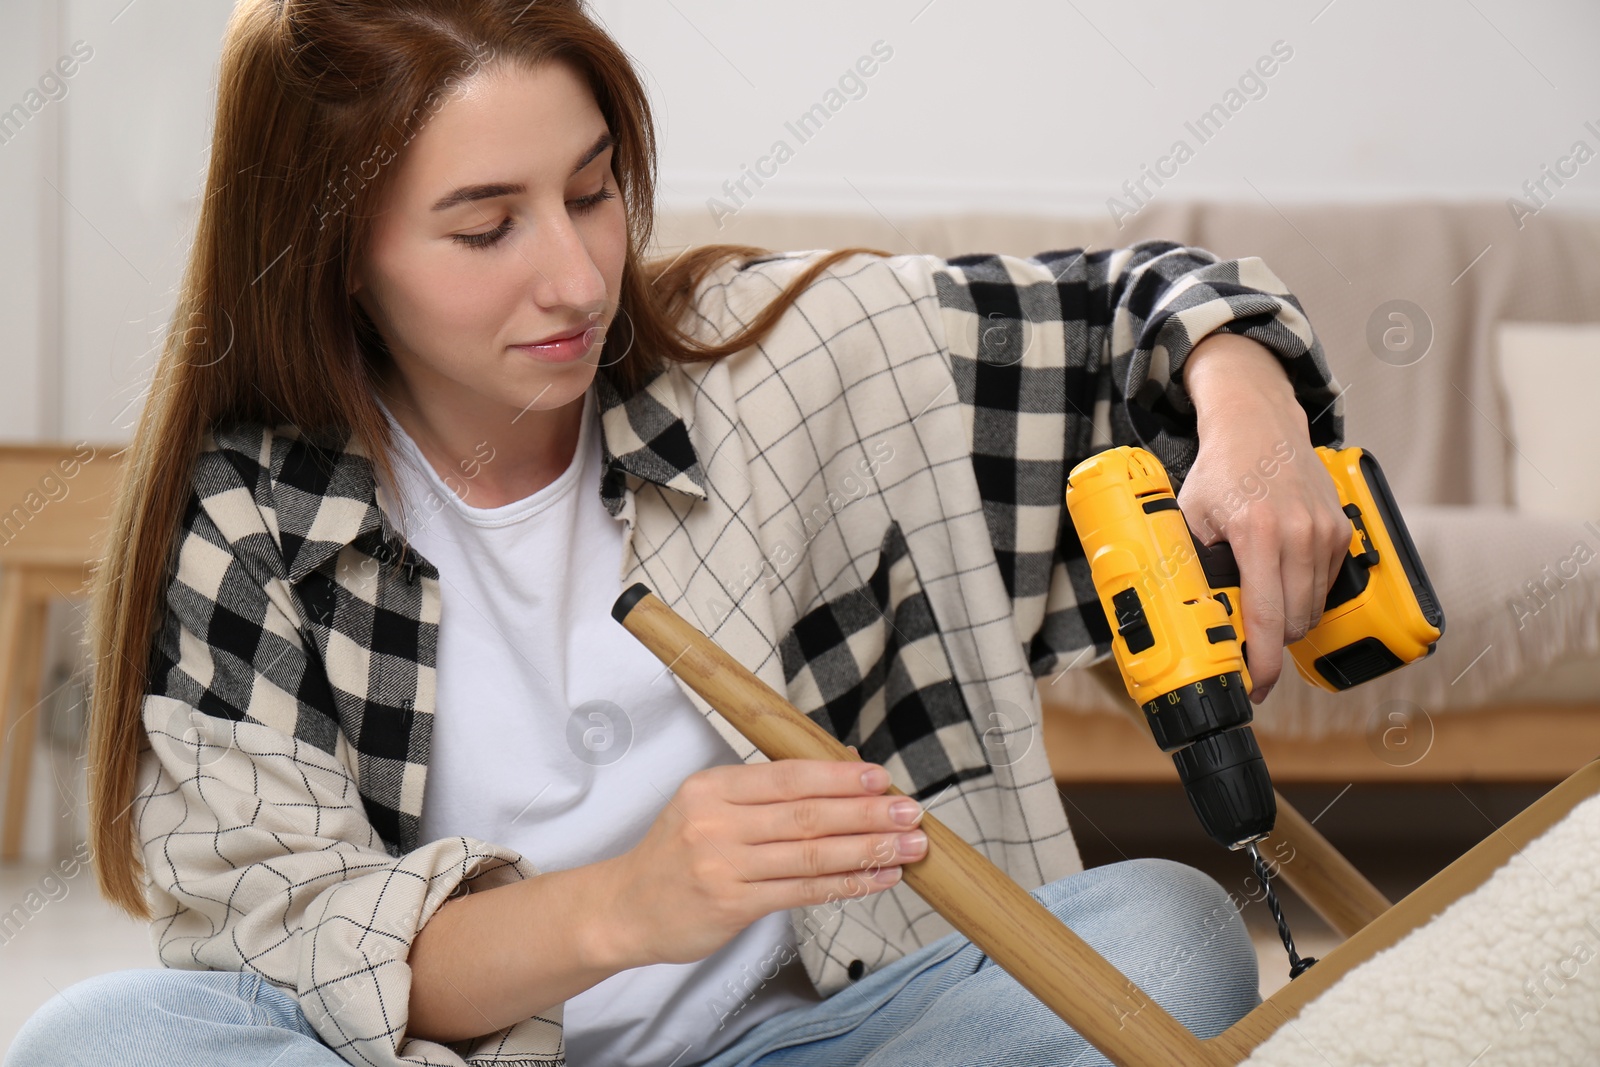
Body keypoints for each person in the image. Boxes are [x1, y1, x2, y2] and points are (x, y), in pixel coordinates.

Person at [5, 1, 1352, 1065]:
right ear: (334, 252)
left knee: (1168, 936)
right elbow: (298, 941)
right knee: (100, 1042)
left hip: (812, 1042)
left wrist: (1249, 408)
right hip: (434, 1059)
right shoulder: (248, 514)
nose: (580, 277)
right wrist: (624, 905)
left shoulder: (797, 361)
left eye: (593, 192)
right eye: (486, 228)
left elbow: (1147, 305)